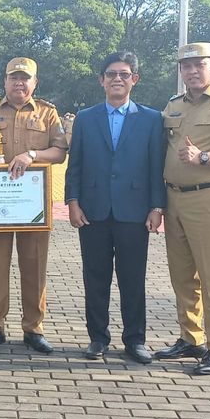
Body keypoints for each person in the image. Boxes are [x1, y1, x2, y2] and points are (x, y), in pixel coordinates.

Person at [64, 52, 166, 364]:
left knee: (133, 278)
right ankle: (98, 338)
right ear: (102, 80)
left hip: (134, 212)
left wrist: (156, 206)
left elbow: (156, 166)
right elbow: (75, 165)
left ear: (135, 79)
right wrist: (72, 202)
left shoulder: (151, 119)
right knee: (95, 277)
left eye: (124, 74)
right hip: (93, 210)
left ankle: (135, 340)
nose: (117, 79)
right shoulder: (85, 118)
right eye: (111, 74)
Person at [155, 42, 210, 375]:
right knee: (182, 276)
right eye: (186, 66)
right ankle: (189, 338)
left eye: (199, 65)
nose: (192, 71)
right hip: (174, 199)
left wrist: (206, 157)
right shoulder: (174, 105)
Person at [0, 57, 68, 353]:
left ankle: (33, 328)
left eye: (25, 78)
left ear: (35, 83)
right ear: (4, 82)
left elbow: (60, 151)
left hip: (32, 204)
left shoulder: (48, 114)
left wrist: (32, 155)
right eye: (14, 78)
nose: (19, 83)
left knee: (34, 265)